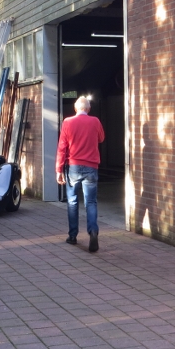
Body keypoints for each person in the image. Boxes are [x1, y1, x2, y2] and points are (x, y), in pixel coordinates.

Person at [56, 96, 105, 252]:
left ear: (75, 108)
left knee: (72, 201)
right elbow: (101, 138)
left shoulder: (67, 122)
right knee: (91, 202)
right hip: (91, 167)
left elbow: (62, 147)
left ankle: (72, 236)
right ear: (88, 109)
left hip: (74, 167)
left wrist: (59, 169)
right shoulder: (95, 121)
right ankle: (93, 231)